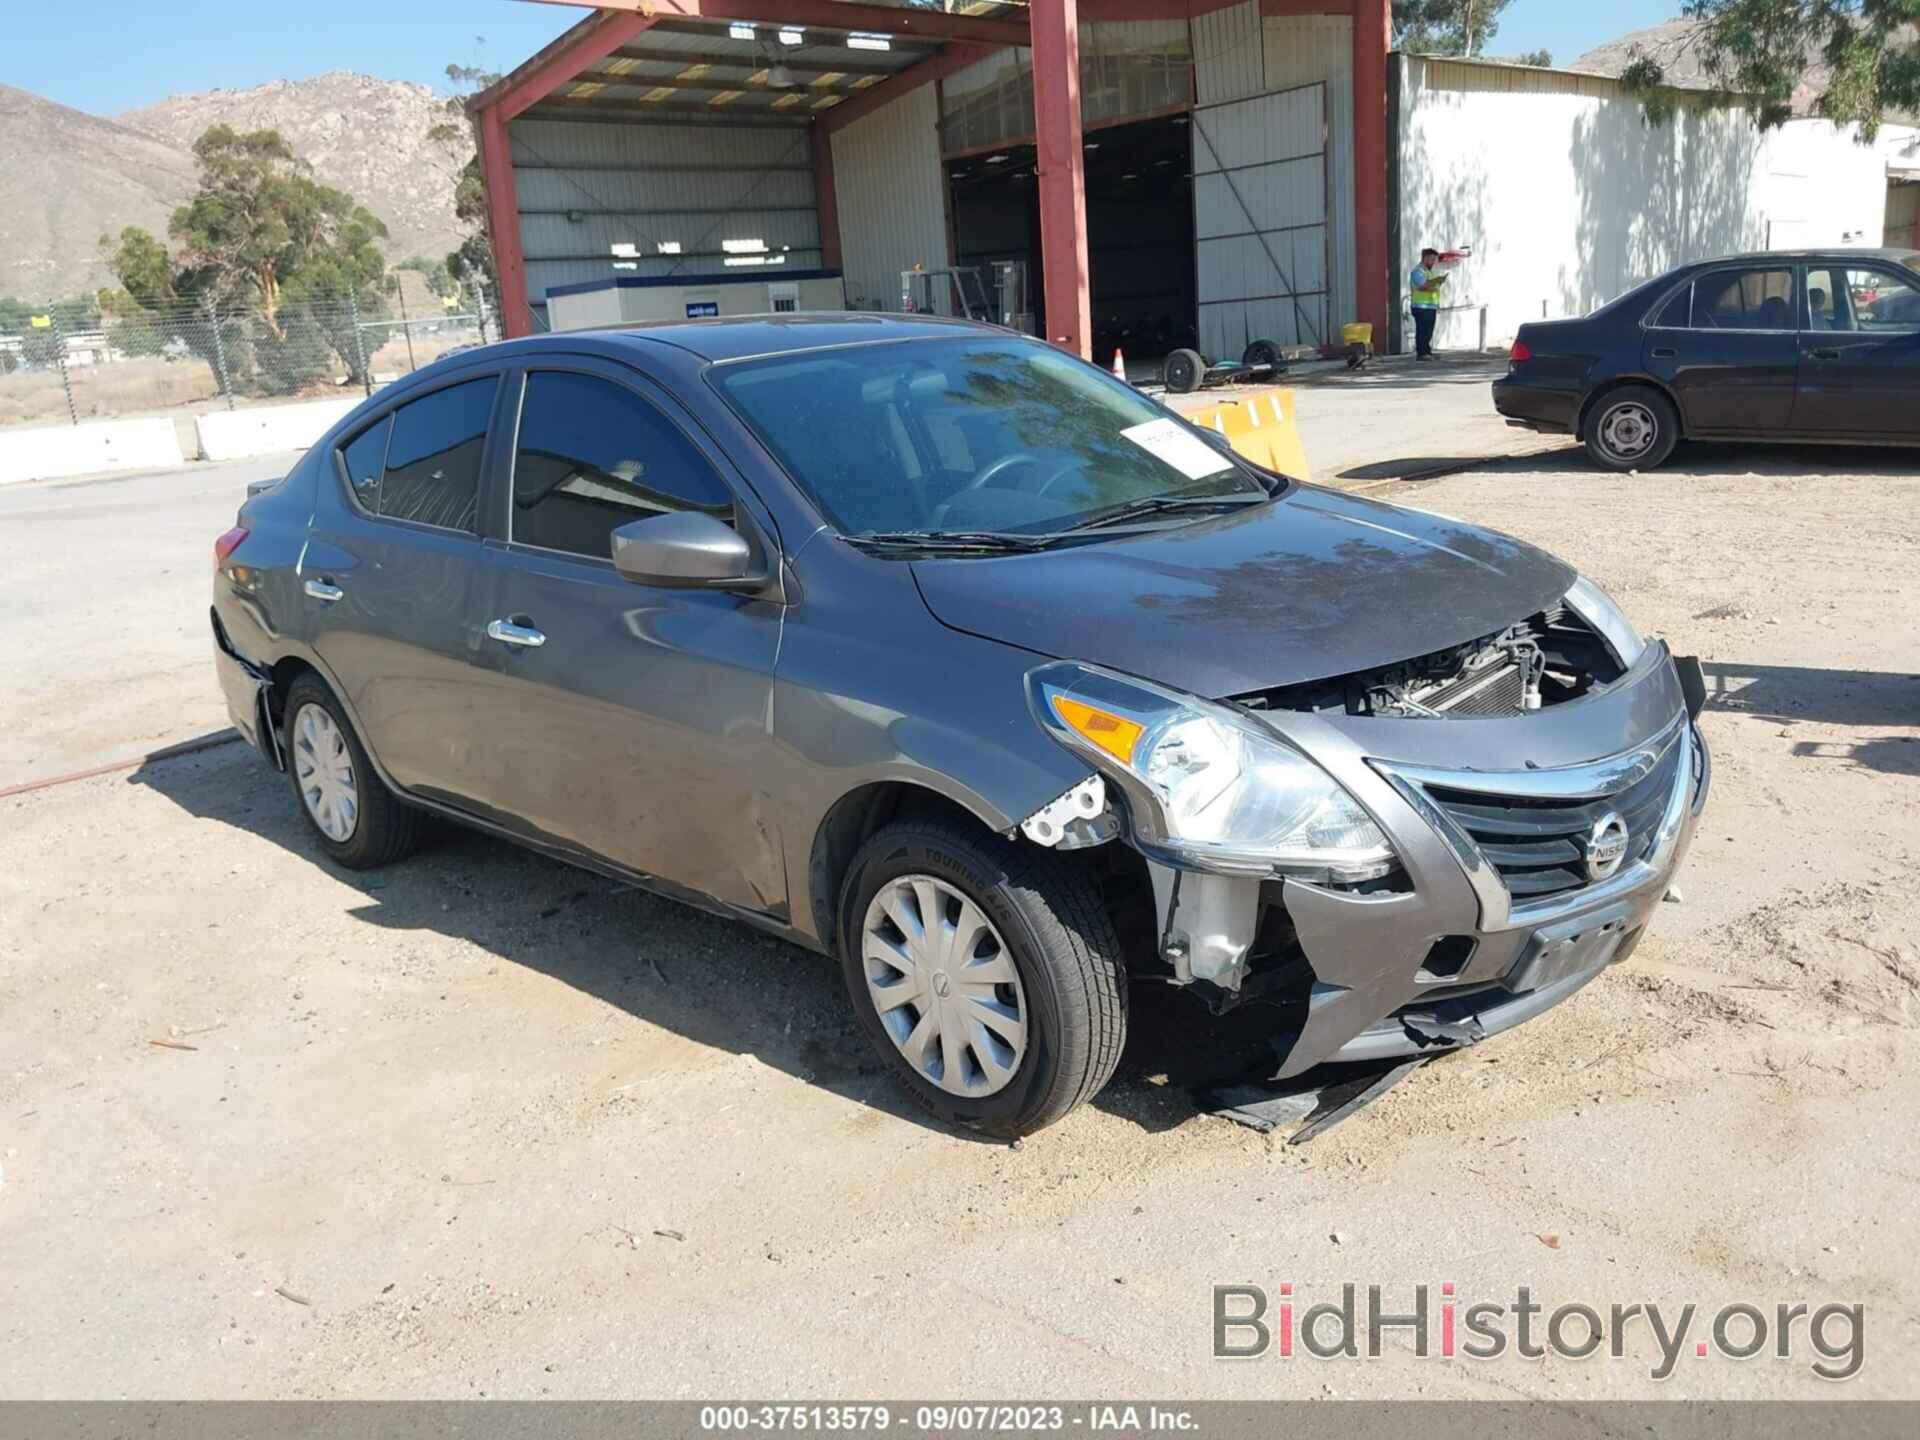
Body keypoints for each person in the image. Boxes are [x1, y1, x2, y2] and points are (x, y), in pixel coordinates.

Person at [1410, 247, 1448, 360]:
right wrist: (1436, 281)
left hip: (1430, 306)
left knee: (1428, 331)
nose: (1433, 262)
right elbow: (1422, 286)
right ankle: (1422, 353)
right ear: (1425, 258)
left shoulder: (1428, 272)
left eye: (1434, 260)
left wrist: (1438, 282)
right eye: (1431, 259)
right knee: (1423, 331)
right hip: (1421, 306)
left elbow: (1431, 286)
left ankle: (1427, 352)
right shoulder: (1418, 271)